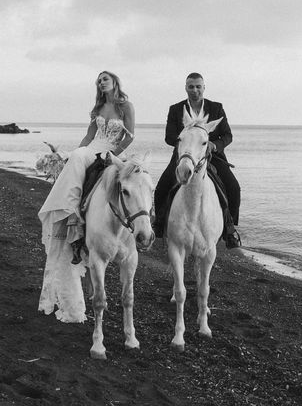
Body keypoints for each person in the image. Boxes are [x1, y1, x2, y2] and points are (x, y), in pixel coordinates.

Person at [38, 71, 135, 322]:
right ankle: (72, 210)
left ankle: (143, 219)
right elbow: (89, 137)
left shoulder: (125, 106)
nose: (102, 82)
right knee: (80, 156)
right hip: (92, 150)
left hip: (111, 152)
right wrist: (77, 151)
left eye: (106, 79)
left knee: (137, 184)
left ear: (114, 82)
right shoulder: (98, 108)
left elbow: (130, 136)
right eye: (99, 80)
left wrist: (111, 153)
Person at [153, 72, 242, 248]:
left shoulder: (216, 107)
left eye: (198, 86)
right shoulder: (175, 109)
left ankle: (230, 229)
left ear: (204, 87)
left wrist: (213, 145)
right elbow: (169, 137)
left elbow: (227, 135)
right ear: (186, 88)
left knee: (233, 187)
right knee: (161, 188)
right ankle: (159, 224)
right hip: (184, 156)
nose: (195, 90)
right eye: (191, 86)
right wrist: (188, 138)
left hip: (211, 156)